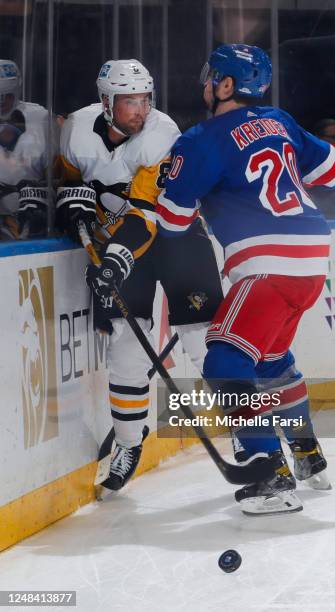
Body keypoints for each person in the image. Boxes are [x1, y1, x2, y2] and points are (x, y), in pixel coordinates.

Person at [157, 44, 335, 515]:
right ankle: (307, 454)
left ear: (226, 85)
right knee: (269, 358)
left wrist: (164, 180)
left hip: (269, 262)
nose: (206, 85)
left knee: (224, 362)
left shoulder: (200, 138)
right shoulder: (280, 121)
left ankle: (270, 474)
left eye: (212, 78)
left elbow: (172, 220)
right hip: (311, 258)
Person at [58, 59, 223, 494]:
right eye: (129, 100)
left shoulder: (161, 134)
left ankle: (254, 436)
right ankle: (130, 444)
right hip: (122, 248)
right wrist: (71, 202)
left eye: (145, 99)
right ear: (106, 102)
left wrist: (111, 260)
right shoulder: (75, 129)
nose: (140, 109)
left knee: (204, 342)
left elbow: (146, 215)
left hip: (177, 238)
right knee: (126, 346)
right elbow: (69, 181)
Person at [0, 60, 49, 240]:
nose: (1, 102)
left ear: (16, 91)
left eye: (6, 95)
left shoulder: (40, 117)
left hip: (32, 212)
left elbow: (55, 170)